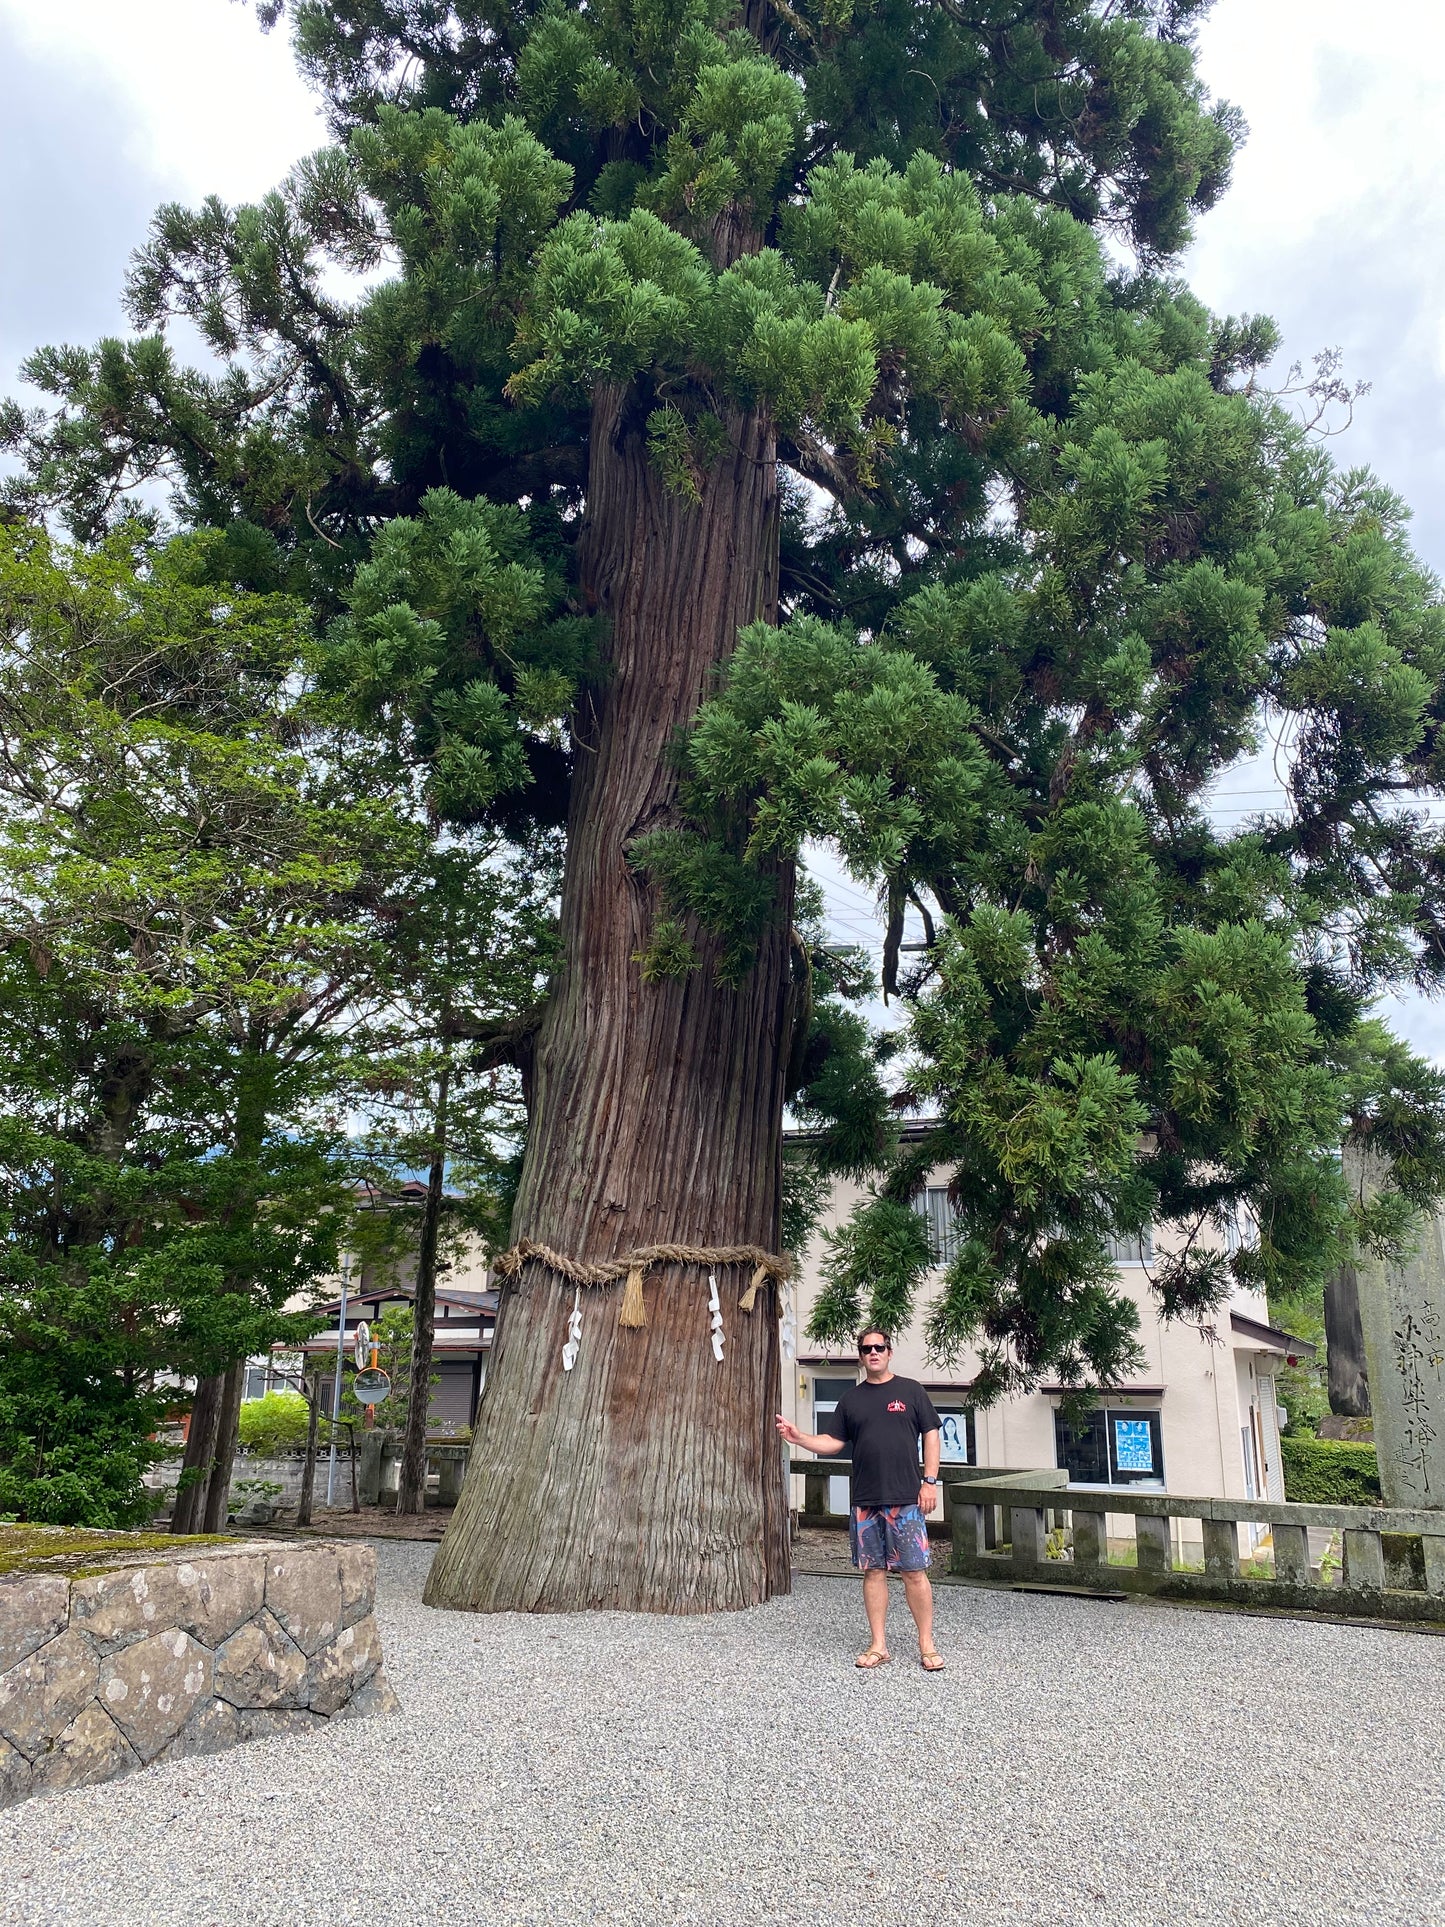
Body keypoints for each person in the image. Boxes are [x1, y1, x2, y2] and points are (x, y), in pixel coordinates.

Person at [776, 1327, 945, 1671]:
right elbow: (833, 1443)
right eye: (866, 1348)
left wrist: (929, 1481)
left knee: (914, 1573)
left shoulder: (911, 1391)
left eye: (879, 1347)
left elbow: (931, 1434)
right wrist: (799, 1438)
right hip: (866, 1501)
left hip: (906, 1499)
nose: (873, 1353)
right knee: (873, 1573)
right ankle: (879, 1644)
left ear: (889, 1352)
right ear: (861, 1354)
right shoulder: (851, 1400)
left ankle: (926, 1644)